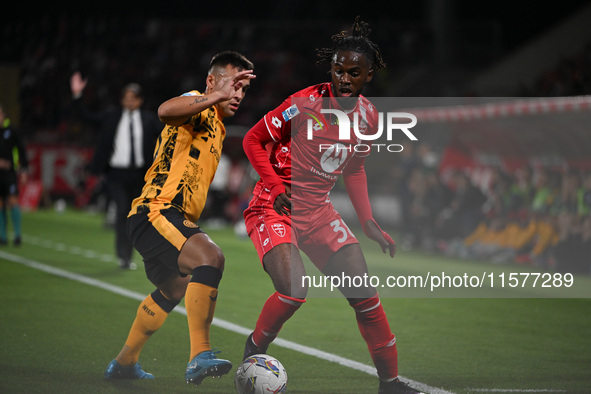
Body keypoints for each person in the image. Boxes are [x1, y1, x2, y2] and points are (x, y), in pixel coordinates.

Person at [241, 18, 421, 394]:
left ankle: (390, 384)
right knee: (293, 291)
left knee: (366, 298)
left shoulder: (369, 116)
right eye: (338, 70)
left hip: (319, 212)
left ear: (368, 75)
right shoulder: (303, 103)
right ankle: (254, 350)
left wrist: (368, 221)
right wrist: (274, 188)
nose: (343, 78)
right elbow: (253, 141)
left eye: (353, 72)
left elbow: (354, 169)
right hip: (275, 206)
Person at [103, 51, 255, 386]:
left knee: (174, 289)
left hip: (168, 216)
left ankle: (124, 363)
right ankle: (199, 354)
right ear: (212, 82)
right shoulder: (196, 104)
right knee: (211, 257)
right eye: (233, 85)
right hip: (157, 210)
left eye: (243, 90)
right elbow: (164, 111)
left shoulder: (216, 126)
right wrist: (213, 96)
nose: (237, 95)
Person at [70, 74, 162, 269]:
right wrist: (77, 95)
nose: (130, 101)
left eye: (133, 97)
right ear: (122, 100)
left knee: (138, 217)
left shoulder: (148, 119)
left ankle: (132, 255)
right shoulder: (111, 117)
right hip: (116, 175)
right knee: (122, 213)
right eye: (126, 97)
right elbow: (86, 117)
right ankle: (124, 257)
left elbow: (169, 132)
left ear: (140, 100)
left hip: (140, 176)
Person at [0, 104, 28, 246]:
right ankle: (2, 236)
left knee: (13, 201)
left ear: (3, 114)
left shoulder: (11, 130)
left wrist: (23, 170)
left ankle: (17, 235)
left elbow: (21, 150)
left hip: (10, 173)